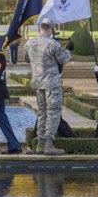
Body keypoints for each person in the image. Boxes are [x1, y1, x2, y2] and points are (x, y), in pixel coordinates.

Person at [25, 18, 73, 155]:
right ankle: (48, 143)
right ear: (50, 29)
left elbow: (27, 59)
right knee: (53, 113)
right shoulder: (53, 44)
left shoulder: (29, 43)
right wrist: (68, 50)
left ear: (40, 28)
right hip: (52, 83)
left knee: (42, 114)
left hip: (38, 83)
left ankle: (40, 143)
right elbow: (63, 60)